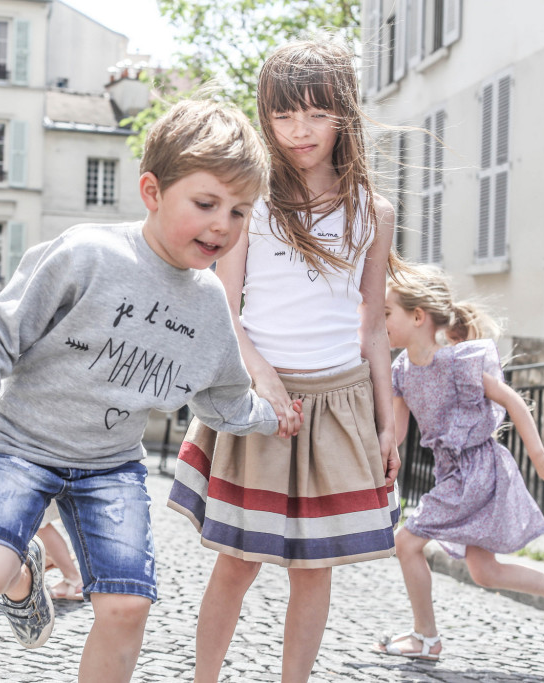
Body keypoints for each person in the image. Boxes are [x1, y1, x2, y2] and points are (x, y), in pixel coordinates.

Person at [0, 97, 295, 683]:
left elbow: (223, 396)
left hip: (110, 468)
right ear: (152, 191)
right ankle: (22, 569)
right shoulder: (87, 253)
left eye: (239, 212)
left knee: (128, 607)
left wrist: (270, 417)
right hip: (22, 447)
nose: (222, 225)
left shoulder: (208, 304)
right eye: (206, 204)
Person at [166, 38, 401, 683]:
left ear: (343, 116)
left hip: (340, 401)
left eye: (317, 114)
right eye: (284, 115)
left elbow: (374, 327)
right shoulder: (252, 203)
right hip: (261, 397)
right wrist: (261, 380)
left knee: (313, 567)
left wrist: (388, 423)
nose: (300, 131)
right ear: (266, 117)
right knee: (237, 561)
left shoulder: (372, 212)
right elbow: (225, 307)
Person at [376, 264, 544, 660]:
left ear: (418, 316)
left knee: (406, 543)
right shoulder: (401, 370)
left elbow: (510, 400)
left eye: (386, 313)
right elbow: (397, 435)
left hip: (477, 470)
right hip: (452, 473)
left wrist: (539, 456)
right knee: (484, 572)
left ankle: (426, 638)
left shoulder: (459, 361)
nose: (379, 321)